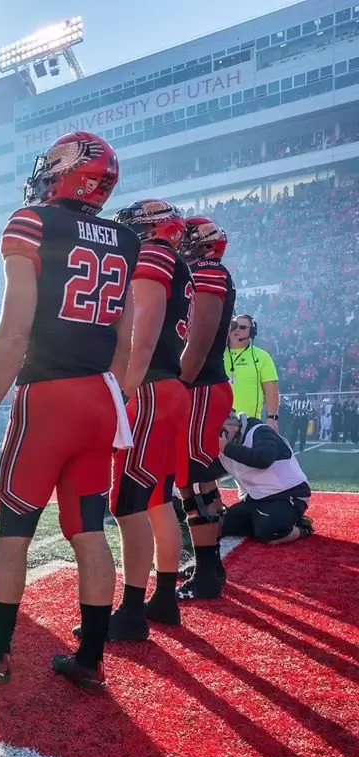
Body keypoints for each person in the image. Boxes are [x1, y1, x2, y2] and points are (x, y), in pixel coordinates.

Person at [0, 130, 139, 691]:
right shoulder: (125, 240)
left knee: (14, 531)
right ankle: (90, 660)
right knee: (90, 532)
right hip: (99, 397)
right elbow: (125, 337)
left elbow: (14, 329)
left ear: (69, 169)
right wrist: (106, 395)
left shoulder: (32, 221)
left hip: (48, 400)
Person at [106, 199, 192, 640]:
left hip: (151, 388)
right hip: (167, 386)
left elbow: (143, 336)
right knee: (158, 500)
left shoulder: (155, 254)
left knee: (127, 503)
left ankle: (132, 611)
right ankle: (164, 599)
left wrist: (122, 391)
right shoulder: (177, 264)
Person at [175, 215, 235, 601]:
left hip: (199, 385)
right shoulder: (204, 271)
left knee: (195, 478)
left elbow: (199, 340)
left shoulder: (209, 272)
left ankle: (209, 570)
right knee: (193, 478)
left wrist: (180, 383)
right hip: (201, 384)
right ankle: (209, 563)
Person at [219, 411, 313, 543]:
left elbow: (264, 459)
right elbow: (211, 471)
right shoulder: (224, 441)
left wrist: (227, 448)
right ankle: (268, 520)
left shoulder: (260, 431)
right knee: (219, 525)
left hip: (287, 494)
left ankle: (303, 528)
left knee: (270, 532)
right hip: (255, 498)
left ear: (235, 425)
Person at [225, 315, 280, 426]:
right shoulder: (215, 355)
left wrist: (272, 418)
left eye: (243, 327)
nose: (237, 330)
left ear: (252, 332)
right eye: (234, 326)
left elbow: (271, 391)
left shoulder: (262, 357)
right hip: (217, 421)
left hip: (249, 423)